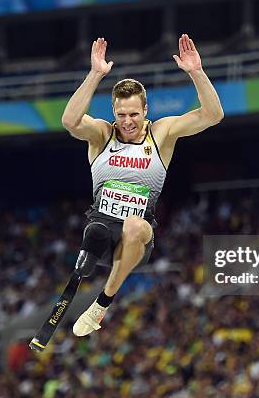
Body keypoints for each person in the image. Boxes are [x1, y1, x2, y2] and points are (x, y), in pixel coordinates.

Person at [61, 34, 224, 336]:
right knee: (97, 231)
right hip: (102, 225)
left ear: (146, 111)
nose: (127, 122)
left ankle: (101, 304)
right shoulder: (101, 134)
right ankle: (89, 254)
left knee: (135, 226)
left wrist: (196, 72)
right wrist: (95, 74)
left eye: (134, 114)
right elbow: (70, 121)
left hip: (138, 238)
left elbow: (213, 116)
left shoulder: (161, 134)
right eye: (121, 114)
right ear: (113, 113)